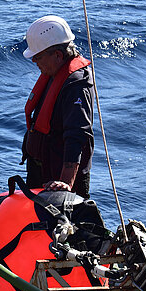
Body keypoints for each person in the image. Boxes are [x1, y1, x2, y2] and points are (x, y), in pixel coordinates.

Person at [21, 15, 95, 198]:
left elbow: (77, 134)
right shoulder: (54, 73)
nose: (34, 61)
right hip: (42, 173)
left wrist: (66, 183)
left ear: (58, 55)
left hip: (60, 182)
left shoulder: (77, 84)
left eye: (37, 56)